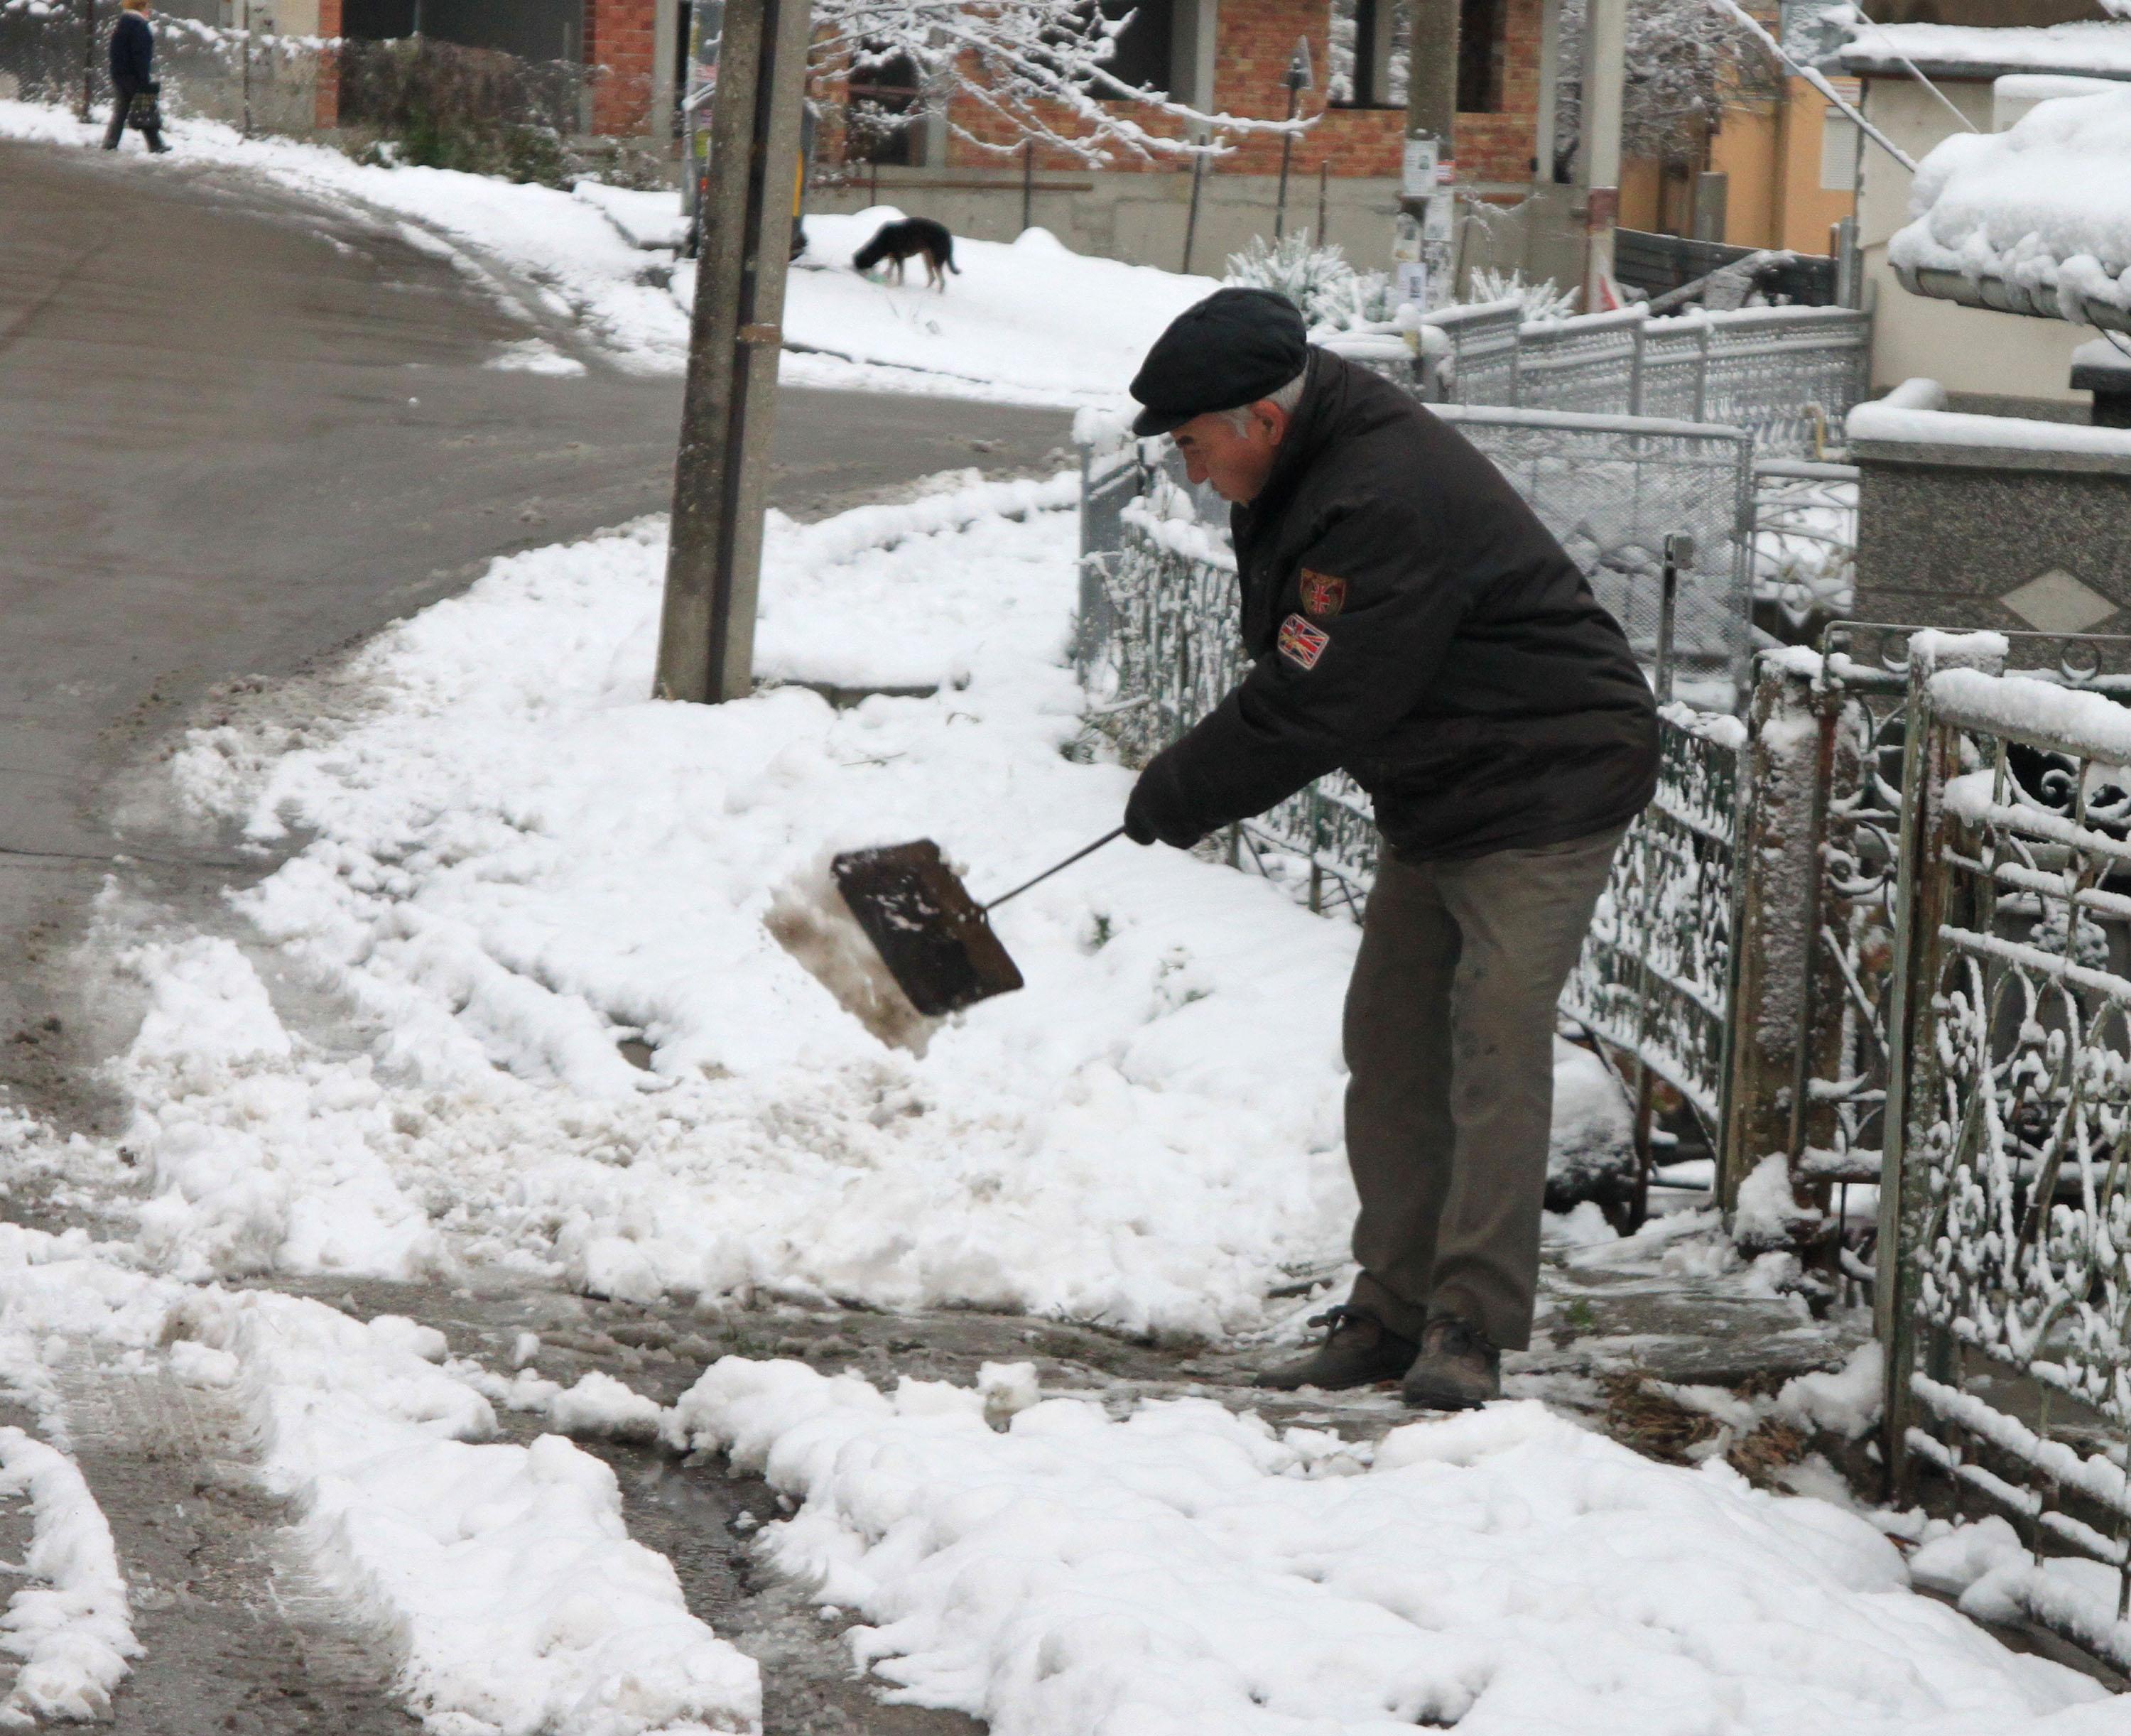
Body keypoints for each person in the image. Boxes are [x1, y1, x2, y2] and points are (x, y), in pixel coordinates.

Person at [1121, 287, 1659, 1409]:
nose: (1191, 471)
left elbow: (1321, 699)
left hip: (1548, 777)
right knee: (1390, 1040)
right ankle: (1388, 1310)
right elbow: (1312, 666)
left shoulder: (1380, 493)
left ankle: (1468, 1323)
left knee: (1496, 1043)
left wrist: (1182, 787)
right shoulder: (1309, 459)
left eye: (1192, 445)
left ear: (1260, 419)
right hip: (1446, 780)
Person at [103, 0, 168, 156]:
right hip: (133, 76)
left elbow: (115, 52)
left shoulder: (122, 24)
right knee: (145, 108)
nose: (149, 11)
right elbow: (141, 56)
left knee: (122, 110)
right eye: (147, 7)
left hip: (119, 74)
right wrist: (143, 79)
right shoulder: (139, 26)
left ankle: (110, 142)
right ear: (141, 7)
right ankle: (156, 145)